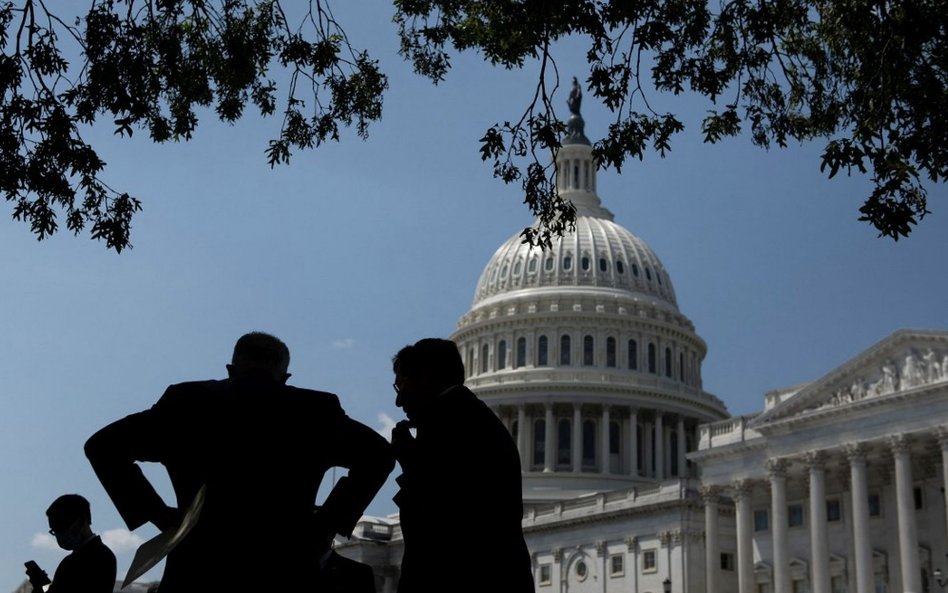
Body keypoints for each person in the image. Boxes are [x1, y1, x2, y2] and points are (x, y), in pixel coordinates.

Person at [85, 332, 395, 592]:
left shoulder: (188, 402)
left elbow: (102, 446)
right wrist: (325, 524)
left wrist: (163, 518)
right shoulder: (315, 411)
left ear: (231, 369)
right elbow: (379, 455)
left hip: (200, 564)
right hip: (285, 565)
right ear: (285, 376)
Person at [390, 338, 534, 593]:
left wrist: (409, 459)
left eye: (402, 384)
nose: (399, 401)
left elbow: (443, 515)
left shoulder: (447, 421)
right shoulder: (472, 416)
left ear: (426, 377)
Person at [25, 494, 116, 593]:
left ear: (81, 521)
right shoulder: (101, 554)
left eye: (61, 526)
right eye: (54, 530)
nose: (59, 533)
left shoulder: (98, 556)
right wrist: (40, 586)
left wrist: (39, 587)